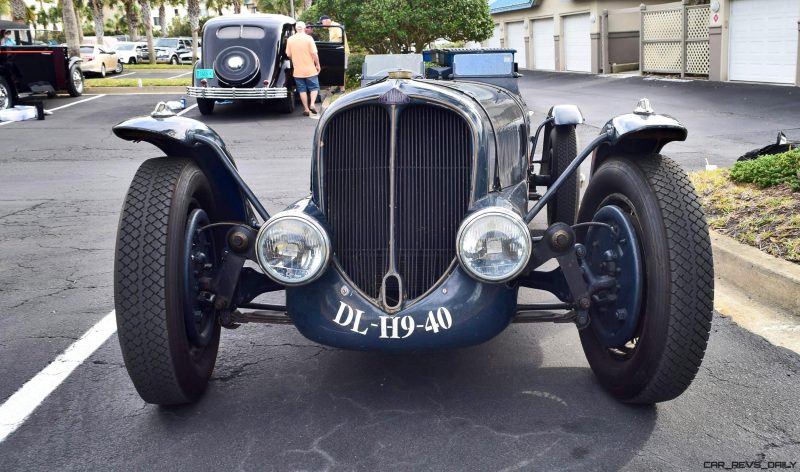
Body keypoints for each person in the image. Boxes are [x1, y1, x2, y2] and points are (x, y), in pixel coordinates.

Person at [285, 21, 321, 116]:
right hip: (310, 69)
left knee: (302, 90)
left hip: (298, 70)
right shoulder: (309, 38)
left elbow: (288, 54)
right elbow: (314, 53)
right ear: (304, 28)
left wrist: (295, 59)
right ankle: (312, 104)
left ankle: (306, 109)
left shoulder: (290, 39)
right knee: (314, 88)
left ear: (296, 29)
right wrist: (318, 64)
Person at [319, 15, 348, 93]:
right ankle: (339, 86)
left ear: (326, 21)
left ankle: (342, 89)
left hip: (340, 51)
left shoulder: (336, 26)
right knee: (335, 69)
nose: (321, 25)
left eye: (322, 23)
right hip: (336, 52)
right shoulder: (330, 28)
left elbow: (340, 38)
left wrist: (336, 49)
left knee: (341, 69)